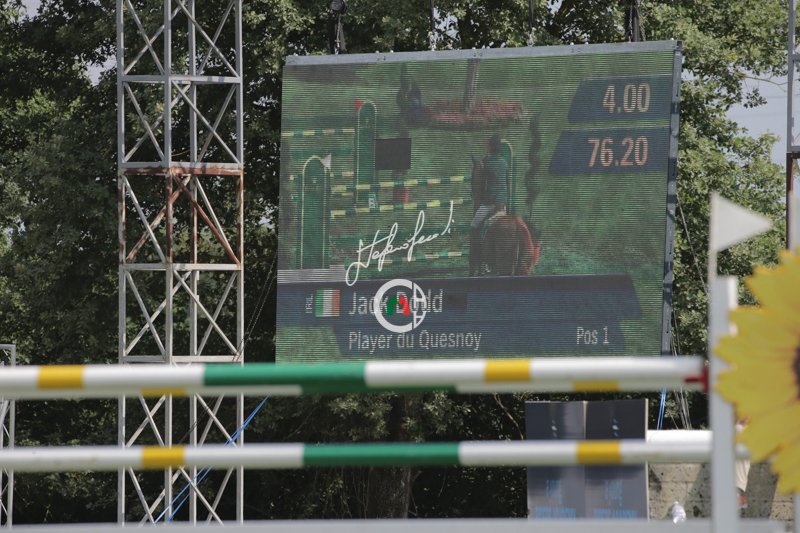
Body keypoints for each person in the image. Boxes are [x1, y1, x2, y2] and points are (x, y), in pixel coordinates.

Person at [470, 134, 509, 274]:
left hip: (489, 204)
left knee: (474, 226)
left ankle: (478, 257)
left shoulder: (484, 163)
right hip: (502, 205)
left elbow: (478, 183)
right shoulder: (505, 163)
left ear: (490, 147)